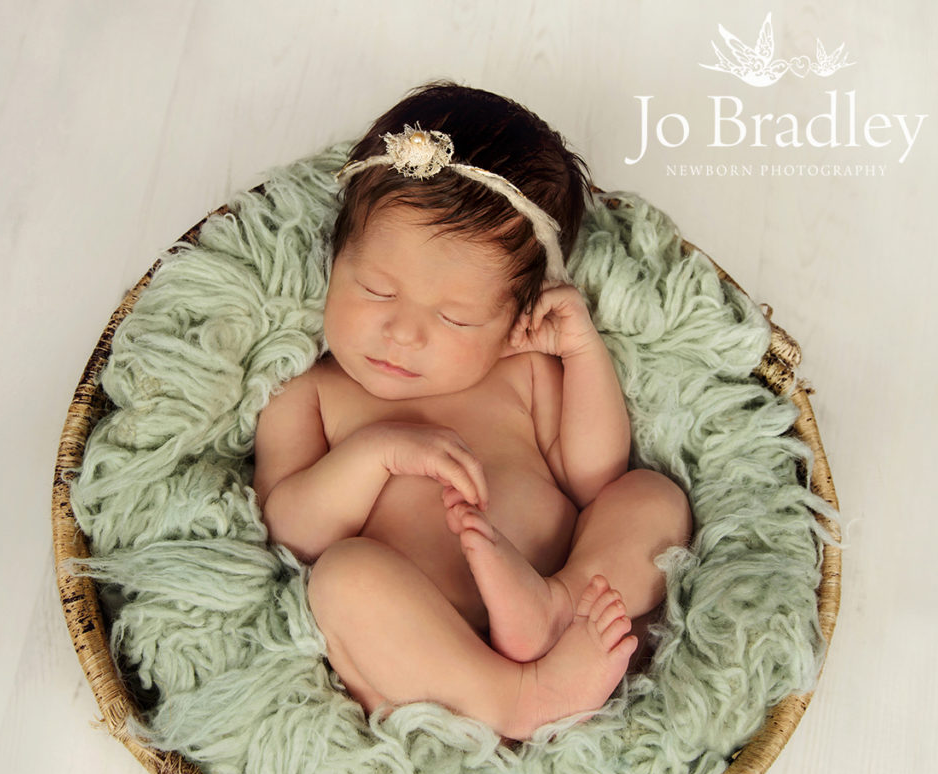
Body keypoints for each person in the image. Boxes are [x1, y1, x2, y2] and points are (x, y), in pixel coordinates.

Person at [253, 83, 692, 740]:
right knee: (342, 580)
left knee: (653, 497)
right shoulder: (310, 392)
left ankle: (554, 606)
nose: (404, 332)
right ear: (335, 257)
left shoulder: (520, 370)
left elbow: (594, 479)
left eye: (456, 317)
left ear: (516, 315)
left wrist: (583, 352)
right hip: (427, 649)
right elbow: (292, 530)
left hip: (571, 613)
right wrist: (377, 454)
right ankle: (516, 698)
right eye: (376, 290)